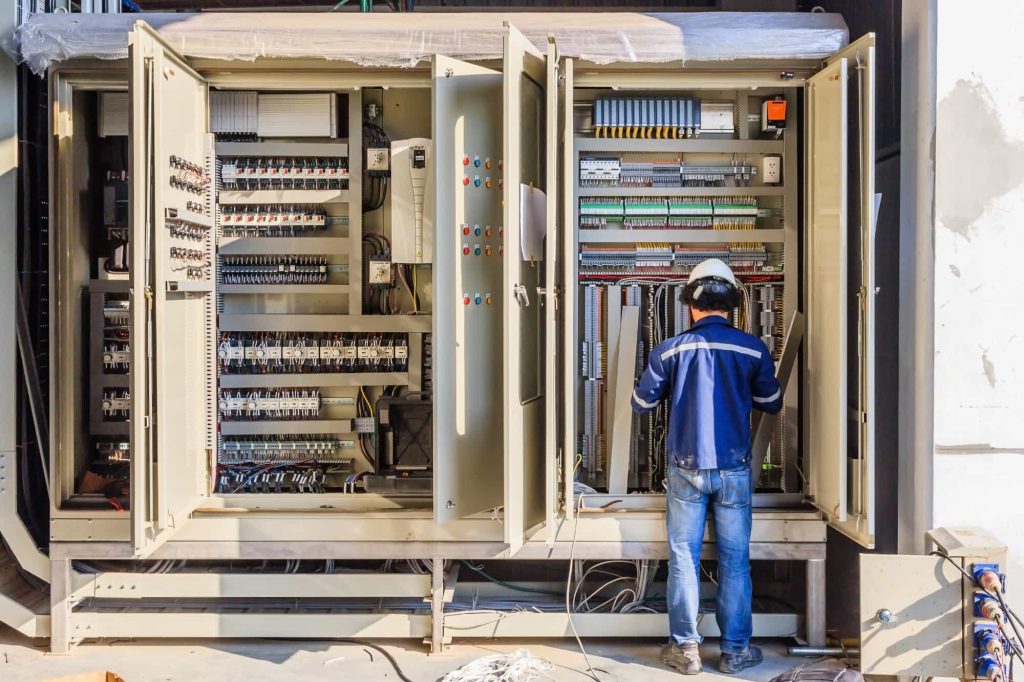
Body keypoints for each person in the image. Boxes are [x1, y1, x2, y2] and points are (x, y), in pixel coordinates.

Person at [631, 258, 782, 676]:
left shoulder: (670, 350)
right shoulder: (752, 349)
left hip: (685, 468)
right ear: (732, 303)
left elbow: (641, 404)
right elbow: (772, 402)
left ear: (689, 304)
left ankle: (686, 650)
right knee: (735, 562)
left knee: (683, 557)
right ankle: (735, 651)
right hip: (733, 469)